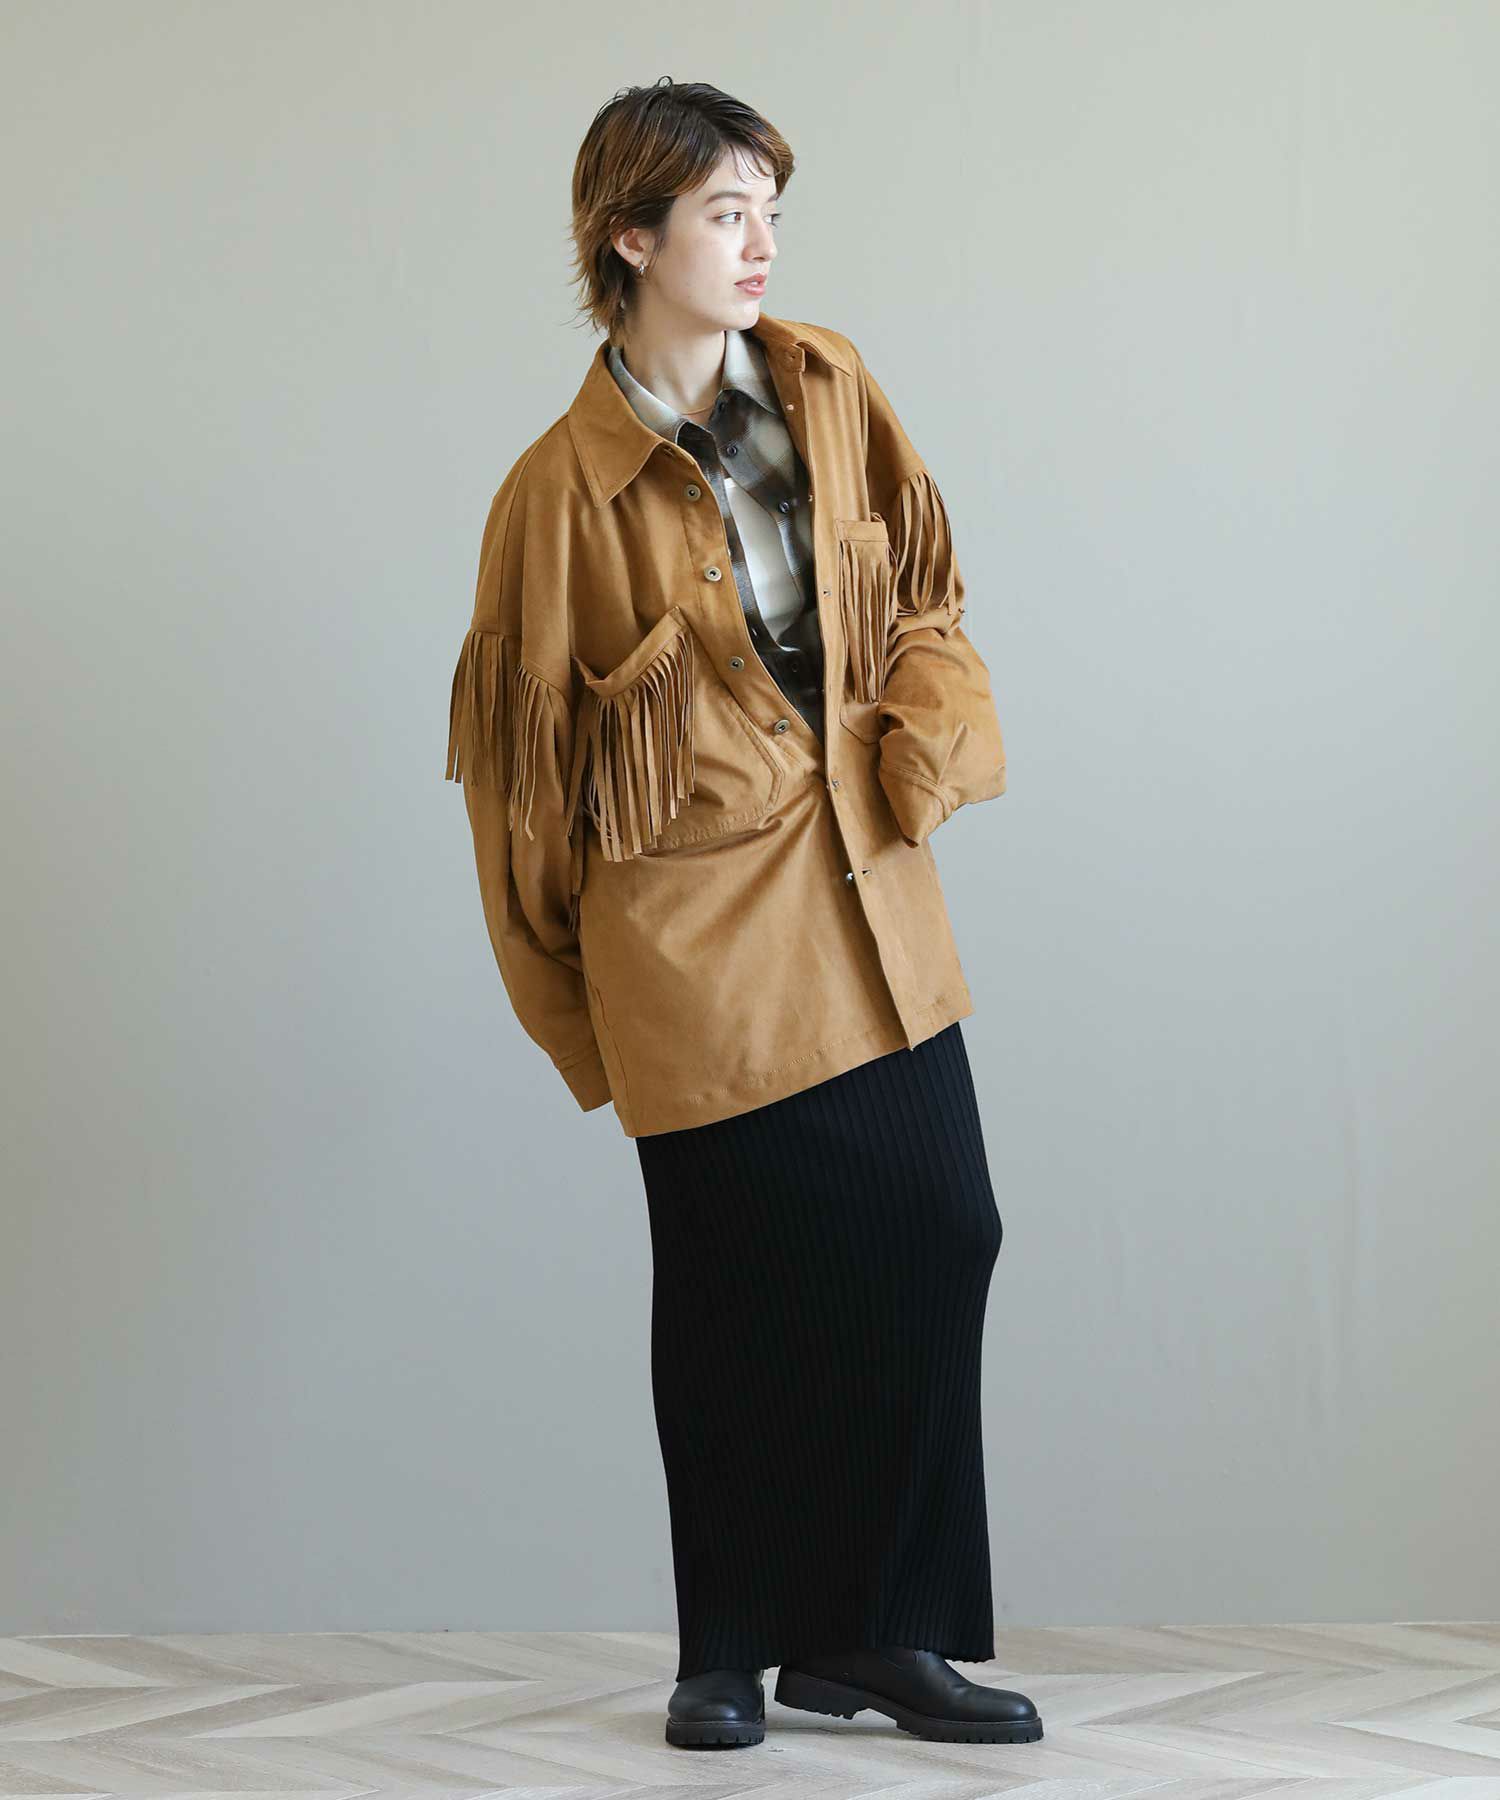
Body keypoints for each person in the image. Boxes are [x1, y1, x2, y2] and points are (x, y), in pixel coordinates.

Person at [446, 76, 1040, 1751]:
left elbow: (922, 591)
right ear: (631, 238)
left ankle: (877, 1636)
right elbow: (521, 787)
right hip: (689, 956)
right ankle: (728, 1649)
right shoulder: (555, 496)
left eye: (771, 207)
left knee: (940, 1232)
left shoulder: (829, 386)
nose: (761, 240)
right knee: (735, 1292)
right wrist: (584, 1024)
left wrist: (928, 730)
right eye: (725, 212)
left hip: (870, 897)